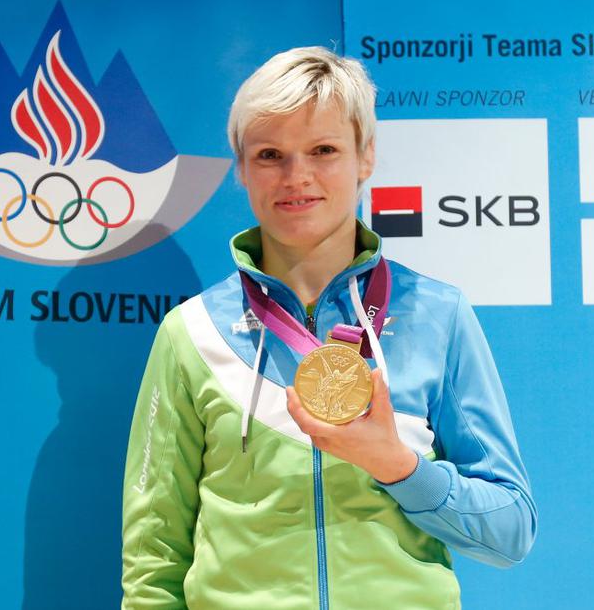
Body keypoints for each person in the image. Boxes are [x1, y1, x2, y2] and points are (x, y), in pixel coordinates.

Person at [121, 46, 536, 610]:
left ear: (366, 157)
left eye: (324, 150)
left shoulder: (437, 314)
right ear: (241, 169)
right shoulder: (191, 332)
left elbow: (511, 531)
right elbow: (153, 560)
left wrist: (397, 466)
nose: (297, 177)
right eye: (270, 154)